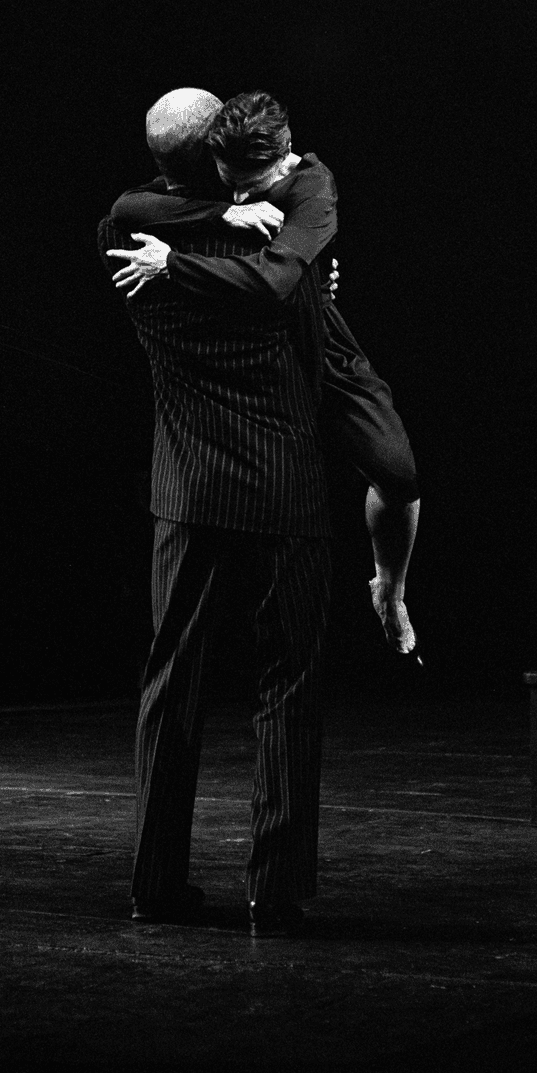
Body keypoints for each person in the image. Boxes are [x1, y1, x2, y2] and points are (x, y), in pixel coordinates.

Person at [99, 87, 333, 935]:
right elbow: (312, 342)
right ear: (218, 161)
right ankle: (275, 891)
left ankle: (154, 884)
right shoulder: (270, 246)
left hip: (188, 490)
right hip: (281, 485)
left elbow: (128, 205)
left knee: (171, 684)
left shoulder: (126, 240)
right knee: (287, 685)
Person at [107, 90, 421, 662]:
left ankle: (390, 590)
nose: (240, 195)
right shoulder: (221, 166)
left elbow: (276, 280)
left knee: (397, 473)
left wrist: (172, 263)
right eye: (229, 183)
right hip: (262, 361)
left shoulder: (311, 186)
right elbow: (126, 208)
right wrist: (221, 214)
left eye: (250, 186)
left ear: (282, 155)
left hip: (317, 335)